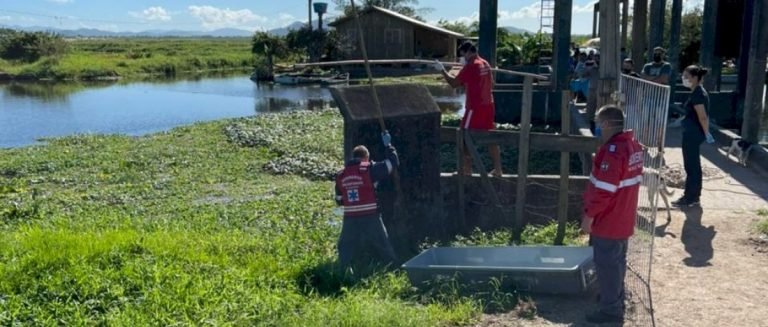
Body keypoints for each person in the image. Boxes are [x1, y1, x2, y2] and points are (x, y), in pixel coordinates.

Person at [581, 105, 644, 324]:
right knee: (617, 261)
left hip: (609, 219)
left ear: (607, 124)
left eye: (598, 123)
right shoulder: (633, 146)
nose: (597, 127)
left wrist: (589, 215)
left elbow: (604, 190)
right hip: (624, 216)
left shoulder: (613, 152)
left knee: (607, 264)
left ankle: (610, 310)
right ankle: (615, 298)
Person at [434, 41, 503, 176]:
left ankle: (466, 170)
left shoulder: (471, 66)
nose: (463, 58)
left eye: (463, 55)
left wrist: (441, 69)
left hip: (475, 108)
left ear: (467, 52)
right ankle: (498, 169)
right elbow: (492, 84)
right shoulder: (485, 64)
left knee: (463, 135)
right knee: (491, 137)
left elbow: (454, 84)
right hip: (489, 105)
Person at [335, 132, 399, 270]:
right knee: (382, 244)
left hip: (350, 217)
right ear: (366, 158)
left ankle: (342, 271)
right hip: (370, 215)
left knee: (345, 246)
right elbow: (392, 163)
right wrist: (388, 146)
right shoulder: (368, 169)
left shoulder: (341, 175)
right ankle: (393, 268)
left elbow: (339, 200)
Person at [672, 65, 715, 207]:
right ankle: (694, 196)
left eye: (687, 76)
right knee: (693, 165)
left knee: (691, 167)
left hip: (693, 134)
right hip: (692, 132)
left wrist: (706, 132)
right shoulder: (697, 91)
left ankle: (690, 197)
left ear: (695, 78)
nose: (684, 79)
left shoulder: (698, 94)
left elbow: (702, 116)